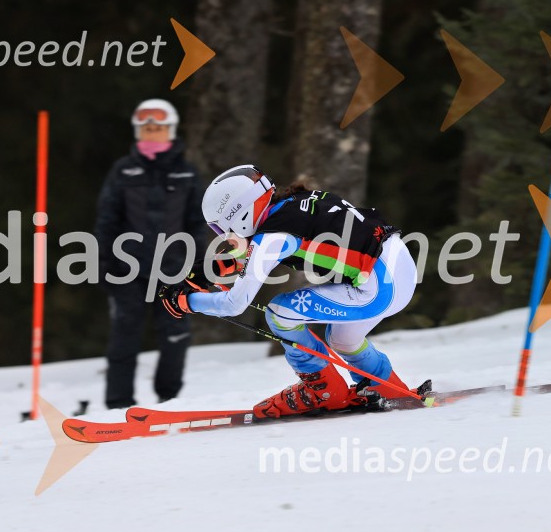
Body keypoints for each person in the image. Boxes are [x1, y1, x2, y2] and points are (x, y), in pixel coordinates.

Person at [159, 165, 427, 418]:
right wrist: (208, 270)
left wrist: (186, 301)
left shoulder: (272, 238)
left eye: (221, 228)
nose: (225, 235)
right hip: (395, 270)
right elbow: (286, 247)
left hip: (380, 286)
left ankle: (324, 391)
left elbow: (234, 304)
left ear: (238, 215)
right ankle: (387, 388)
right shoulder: (293, 203)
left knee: (279, 313)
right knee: (343, 340)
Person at [96, 99, 207, 409]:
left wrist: (195, 266)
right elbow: (107, 219)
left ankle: (168, 400)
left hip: (174, 270)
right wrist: (105, 264)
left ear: (170, 131)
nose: (152, 133)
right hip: (127, 270)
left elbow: (198, 223)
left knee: (175, 335)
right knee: (124, 337)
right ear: (137, 131)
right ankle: (118, 404)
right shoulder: (123, 170)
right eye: (146, 128)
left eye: (158, 128)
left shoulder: (186, 173)